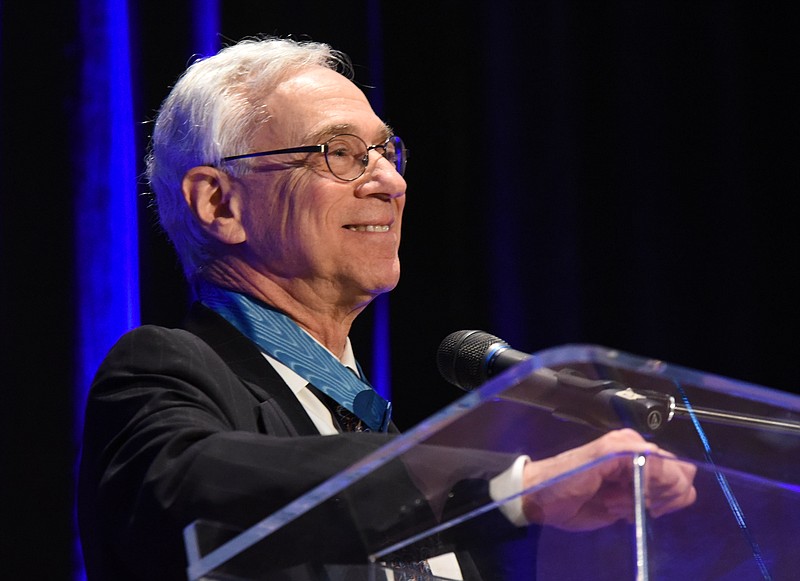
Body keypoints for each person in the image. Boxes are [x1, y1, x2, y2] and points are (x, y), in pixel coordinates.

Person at [77, 37, 696, 581]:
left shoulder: (377, 431)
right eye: (339, 153)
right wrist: (515, 490)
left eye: (384, 152)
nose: (390, 183)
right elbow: (193, 492)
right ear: (219, 204)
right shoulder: (165, 371)